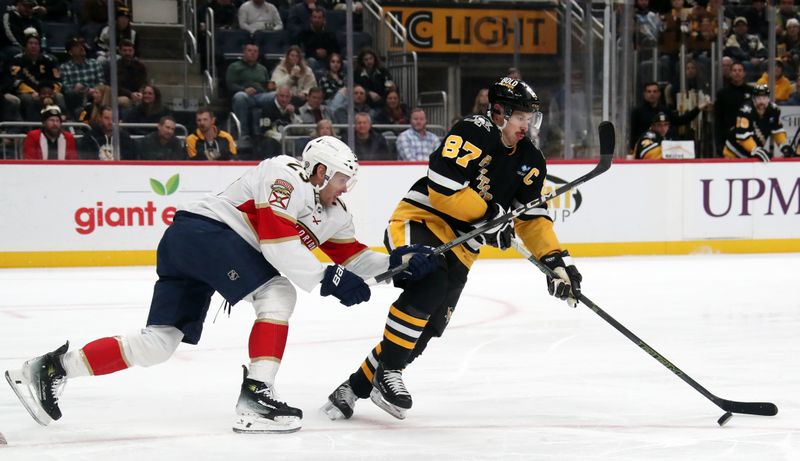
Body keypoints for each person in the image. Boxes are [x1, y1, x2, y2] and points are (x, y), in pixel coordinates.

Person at [5, 136, 437, 434]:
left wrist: (395, 263)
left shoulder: (335, 212)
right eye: (343, 177)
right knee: (278, 293)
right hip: (205, 233)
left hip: (195, 246)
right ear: (320, 169)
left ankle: (49, 369)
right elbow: (276, 241)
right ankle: (256, 397)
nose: (347, 187)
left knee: (158, 344)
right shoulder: (283, 173)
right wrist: (327, 278)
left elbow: (355, 258)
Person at [322, 77, 583, 421]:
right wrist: (491, 219)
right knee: (430, 283)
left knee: (427, 327)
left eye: (530, 118)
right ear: (499, 112)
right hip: (422, 221)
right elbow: (443, 188)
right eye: (520, 116)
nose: (526, 124)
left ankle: (353, 388)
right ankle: (389, 372)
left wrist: (556, 261)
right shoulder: (472, 131)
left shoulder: (530, 159)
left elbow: (531, 218)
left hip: (463, 247)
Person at [723, 84, 796, 162]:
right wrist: (755, 149)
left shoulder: (774, 110)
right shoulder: (745, 110)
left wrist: (783, 145)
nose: (761, 101)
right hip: (734, 153)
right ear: (753, 99)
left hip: (752, 156)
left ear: (768, 99)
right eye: (759, 98)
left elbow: (777, 130)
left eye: (764, 98)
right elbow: (742, 136)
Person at [9, 29, 65, 121]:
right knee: (28, 99)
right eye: (30, 43)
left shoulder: (50, 60)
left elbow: (58, 80)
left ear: (39, 46)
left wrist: (50, 92)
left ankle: (64, 123)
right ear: (25, 46)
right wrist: (32, 92)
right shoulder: (17, 60)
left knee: (59, 96)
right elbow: (16, 81)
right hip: (27, 92)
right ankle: (33, 126)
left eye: (36, 44)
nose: (33, 46)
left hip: (48, 90)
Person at [227, 42, 272, 145]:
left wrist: (270, 87)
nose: (253, 53)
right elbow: (230, 85)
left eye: (255, 51)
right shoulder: (234, 67)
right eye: (250, 51)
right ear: (244, 52)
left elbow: (267, 86)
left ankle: (272, 132)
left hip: (260, 96)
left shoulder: (262, 68)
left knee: (275, 96)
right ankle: (243, 134)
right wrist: (244, 89)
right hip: (244, 96)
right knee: (240, 97)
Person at [59, 36, 106, 118]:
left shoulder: (95, 63)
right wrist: (86, 90)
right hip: (77, 99)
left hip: (96, 95)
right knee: (76, 89)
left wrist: (94, 91)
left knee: (106, 90)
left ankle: (105, 117)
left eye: (82, 45)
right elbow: (66, 88)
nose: (81, 47)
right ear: (70, 52)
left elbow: (101, 82)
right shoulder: (65, 67)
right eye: (77, 46)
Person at [714, 62, 752, 155]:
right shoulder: (722, 93)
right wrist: (719, 144)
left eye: (740, 70)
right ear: (730, 73)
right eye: (734, 70)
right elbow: (718, 119)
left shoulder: (751, 92)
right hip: (728, 138)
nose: (737, 73)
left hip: (748, 137)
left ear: (744, 73)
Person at [295, 8, 339, 75]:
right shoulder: (304, 32)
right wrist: (315, 53)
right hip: (310, 60)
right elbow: (302, 50)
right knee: (311, 61)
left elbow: (336, 50)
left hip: (328, 60)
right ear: (311, 18)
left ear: (324, 19)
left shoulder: (330, 33)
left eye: (319, 18)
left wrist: (326, 52)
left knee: (344, 63)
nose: (317, 20)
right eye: (314, 17)